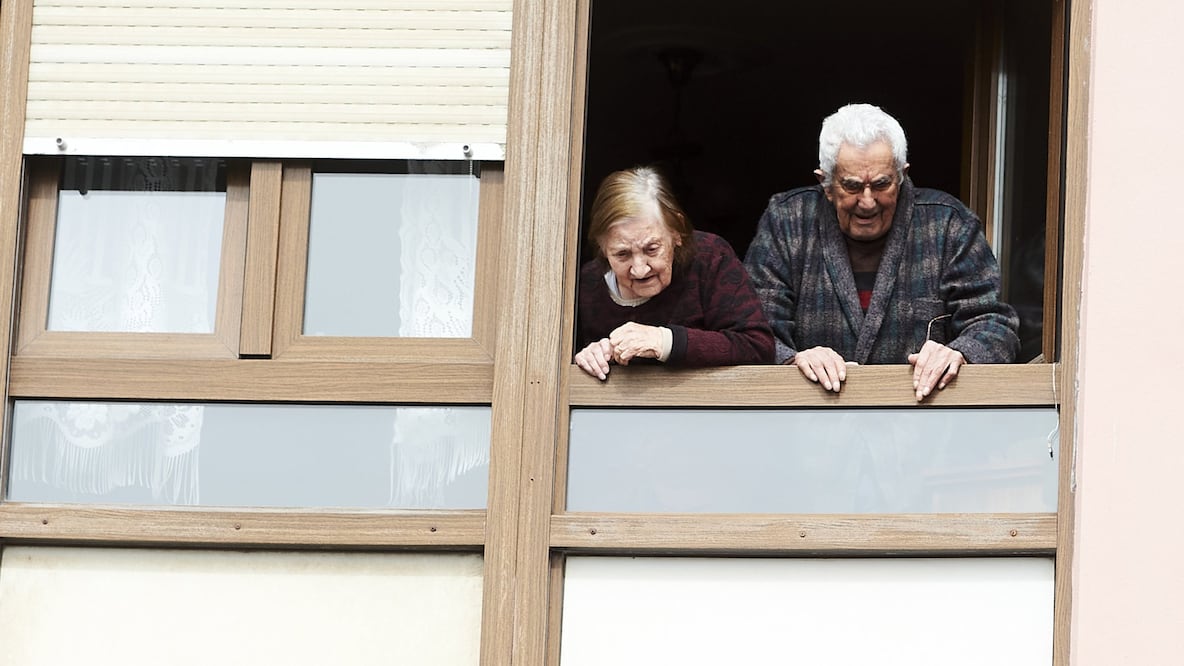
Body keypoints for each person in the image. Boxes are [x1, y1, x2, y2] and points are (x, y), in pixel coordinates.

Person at [743, 103, 1020, 400]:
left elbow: (995, 326)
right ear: (825, 183)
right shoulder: (788, 222)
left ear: (901, 176)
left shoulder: (949, 224)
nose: (867, 201)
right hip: (811, 425)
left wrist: (960, 353)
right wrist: (792, 359)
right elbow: (754, 330)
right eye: (851, 186)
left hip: (925, 428)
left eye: (881, 184)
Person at [575, 166, 774, 380]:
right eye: (622, 254)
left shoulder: (709, 257)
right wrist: (590, 357)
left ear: (677, 230)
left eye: (652, 249)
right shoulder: (587, 283)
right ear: (603, 248)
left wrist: (665, 341)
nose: (640, 269)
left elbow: (757, 347)